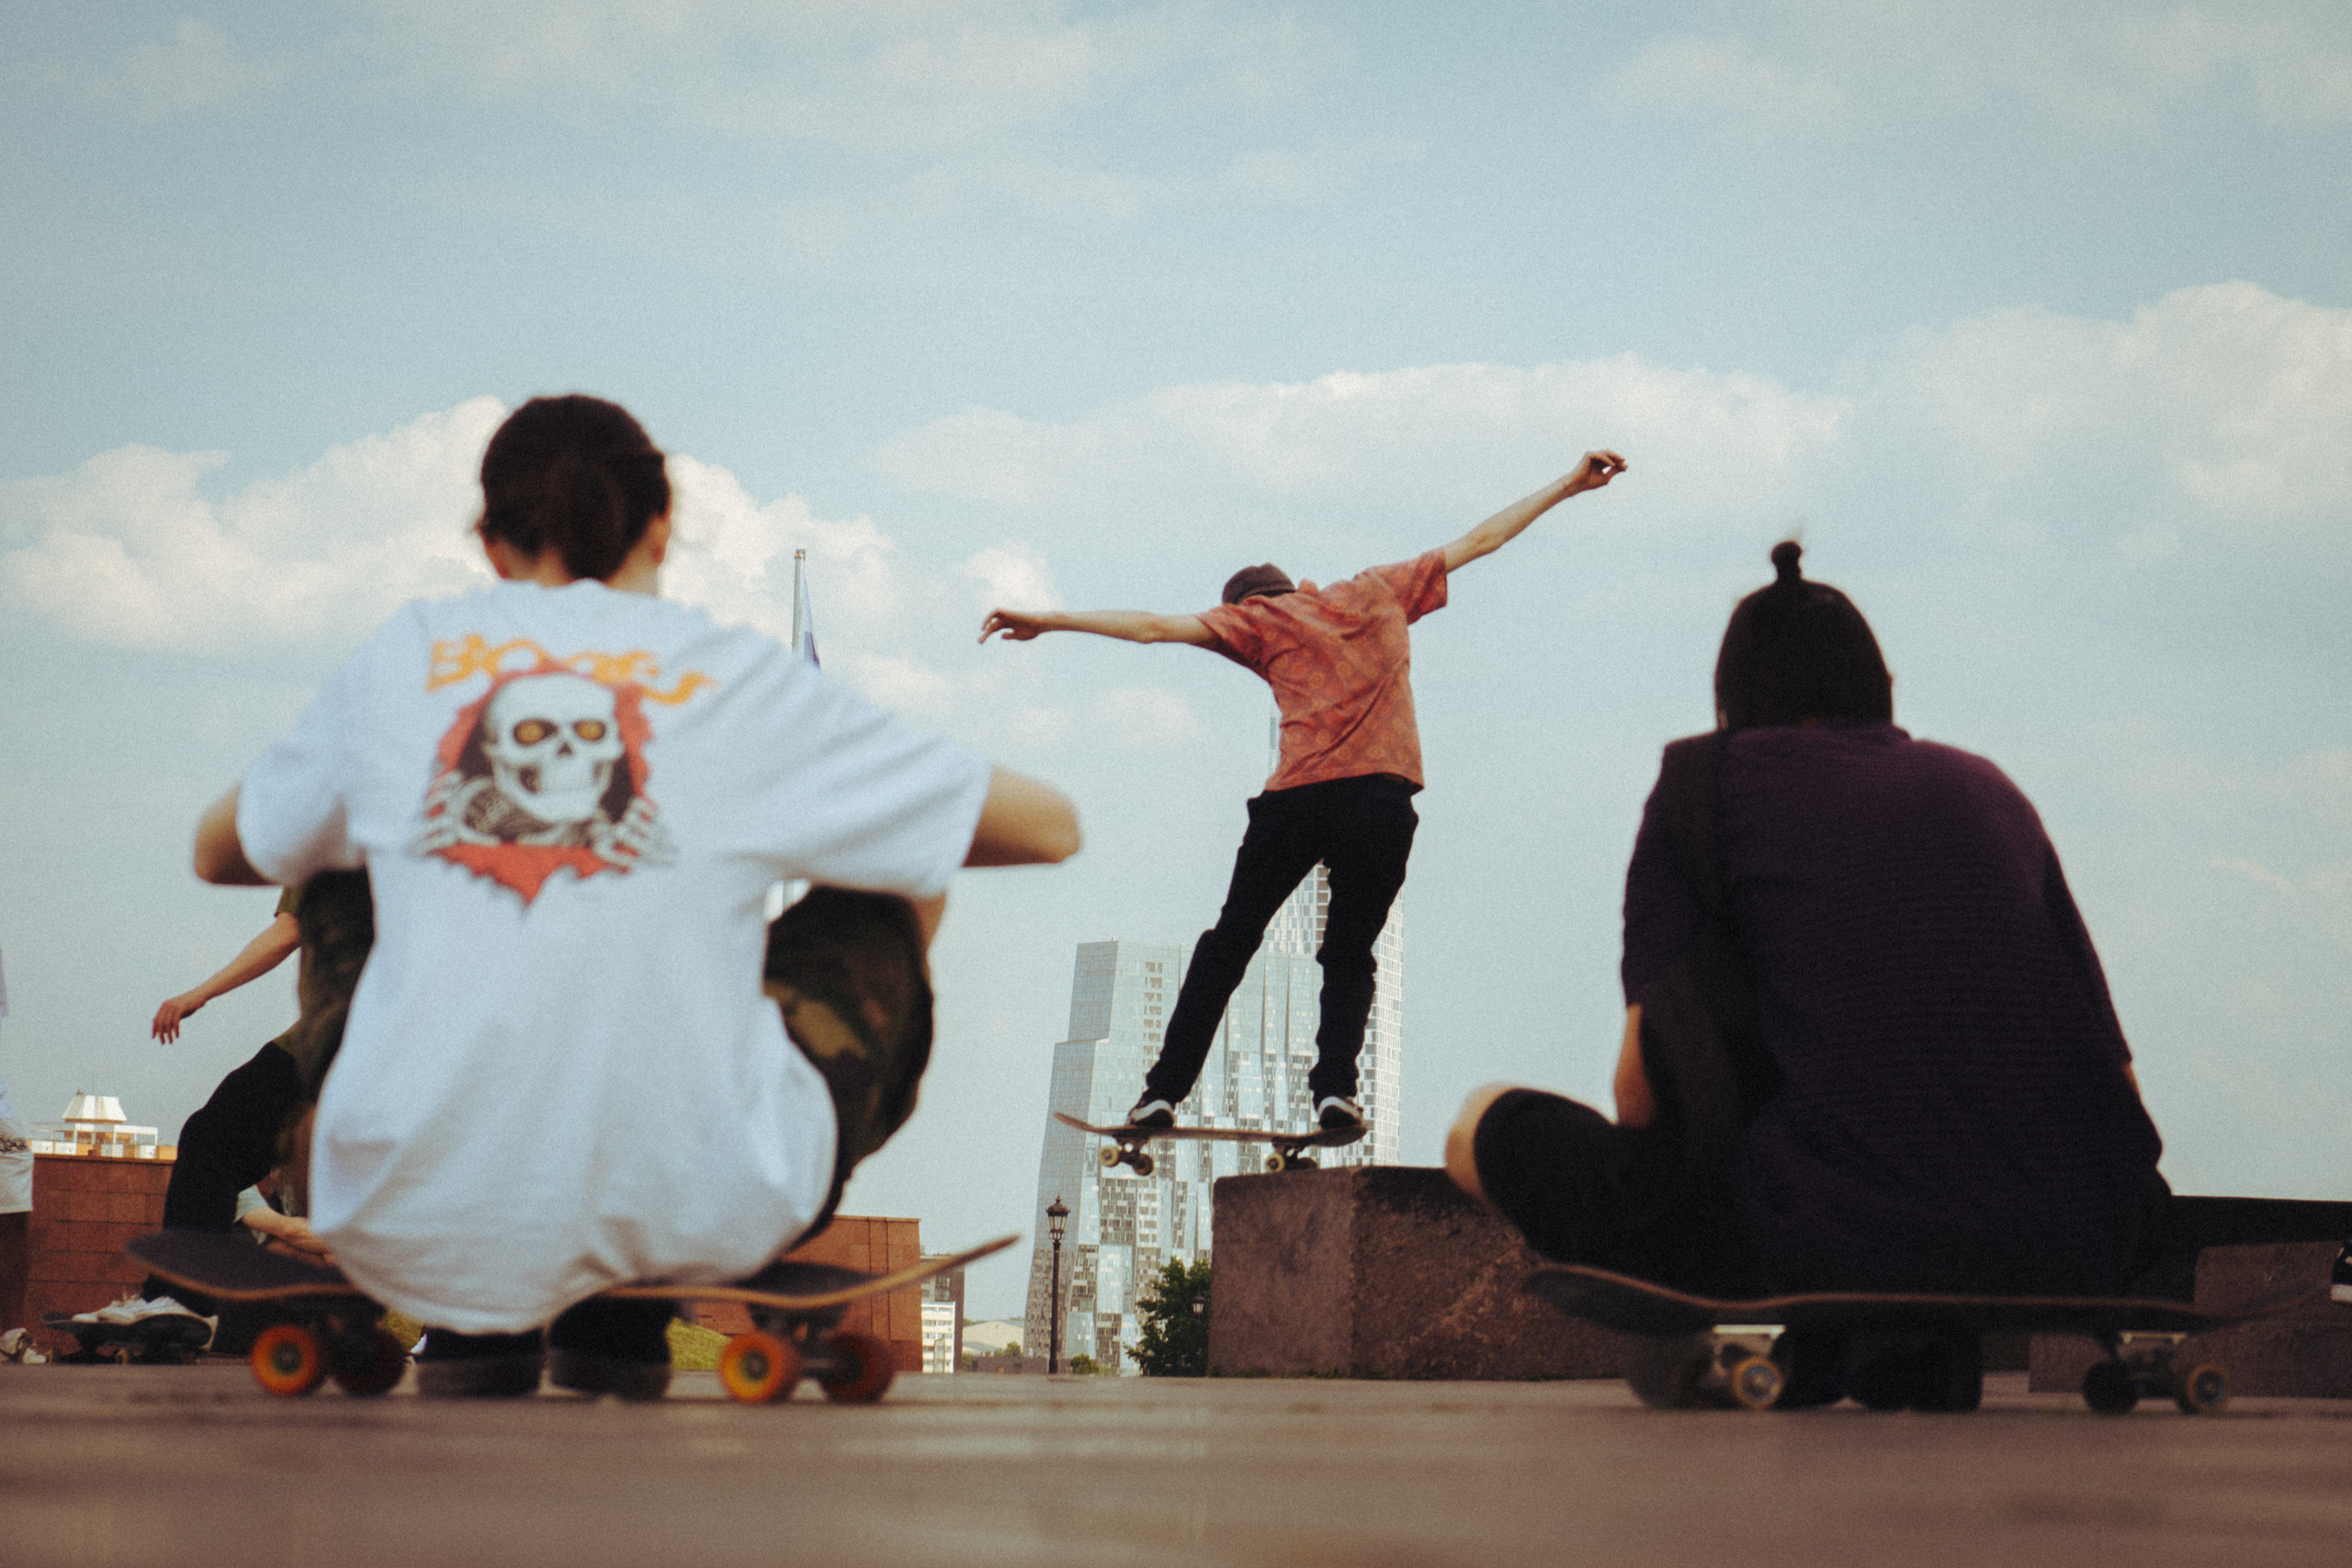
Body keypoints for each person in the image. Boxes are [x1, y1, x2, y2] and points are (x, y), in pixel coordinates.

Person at [190, 394, 1080, 1399]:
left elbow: (223, 852)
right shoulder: (736, 678)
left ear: (489, 544)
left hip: (412, 1199)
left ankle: (476, 1285)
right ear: (665, 521)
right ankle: (637, 1284)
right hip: (710, 1195)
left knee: (330, 863)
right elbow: (1050, 828)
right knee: (901, 873)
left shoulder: (410, 657)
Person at [1448, 542, 2169, 1373]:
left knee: (1481, 1123)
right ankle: (1901, 1341)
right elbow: (2120, 1091)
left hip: (1829, 1237)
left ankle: (1823, 1332)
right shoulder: (1989, 788)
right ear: (1881, 688)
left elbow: (1638, 1094)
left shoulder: (1705, 780)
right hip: (2096, 1235)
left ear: (1729, 699)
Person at [981, 451, 1628, 1133]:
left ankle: (1162, 1092)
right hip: (1382, 801)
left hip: (1299, 801)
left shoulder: (1256, 622)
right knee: (1349, 952)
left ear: (1244, 606)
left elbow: (1151, 627)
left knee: (1230, 941)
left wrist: (1049, 620)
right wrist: (1570, 484)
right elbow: (1484, 538)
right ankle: (1335, 1092)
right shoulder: (1379, 591)